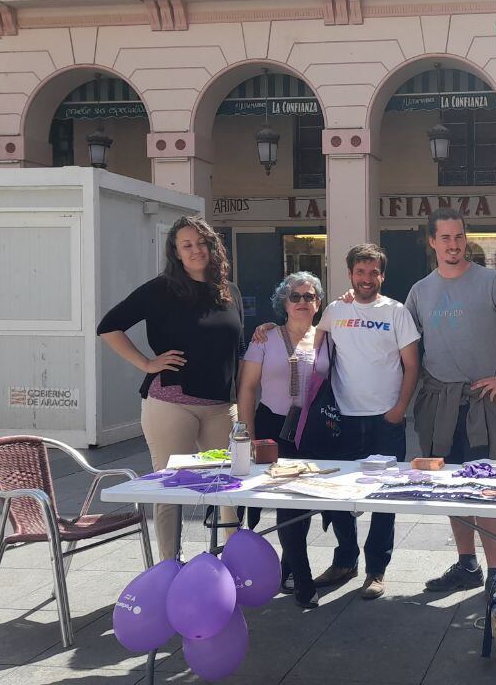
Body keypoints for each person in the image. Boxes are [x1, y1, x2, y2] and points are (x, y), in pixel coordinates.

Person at [405, 208, 496, 593]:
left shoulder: (490, 281)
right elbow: (402, 343)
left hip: (482, 401)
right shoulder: (420, 291)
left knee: (488, 488)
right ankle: (467, 565)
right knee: (450, 486)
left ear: (466, 239)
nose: (453, 244)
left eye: (459, 237)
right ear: (432, 242)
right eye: (445, 237)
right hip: (438, 402)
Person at [96, 215, 243, 562]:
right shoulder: (160, 289)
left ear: (212, 246)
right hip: (172, 402)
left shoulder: (229, 291)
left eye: (201, 243)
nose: (195, 250)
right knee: (170, 487)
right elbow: (109, 326)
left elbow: (234, 346)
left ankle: (232, 560)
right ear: (176, 252)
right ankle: (168, 565)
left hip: (222, 404)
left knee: (230, 485)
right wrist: (146, 363)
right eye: (186, 245)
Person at [299, 243, 419, 602]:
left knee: (384, 498)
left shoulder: (396, 312)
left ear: (382, 275)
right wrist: (266, 333)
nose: (367, 279)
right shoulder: (336, 309)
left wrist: (400, 408)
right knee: (339, 497)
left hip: (386, 420)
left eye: (374, 272)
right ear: (350, 273)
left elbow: (412, 365)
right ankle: (345, 560)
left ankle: (376, 570)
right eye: (360, 272)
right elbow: (312, 344)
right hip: (343, 419)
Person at [236, 272, 325, 594]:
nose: (303, 302)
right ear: (283, 303)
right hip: (273, 427)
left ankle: (288, 567)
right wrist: (246, 435)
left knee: (303, 502)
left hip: (311, 430)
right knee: (287, 500)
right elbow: (246, 389)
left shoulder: (326, 338)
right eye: (295, 296)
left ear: (318, 302)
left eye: (309, 296)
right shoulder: (265, 338)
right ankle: (302, 579)